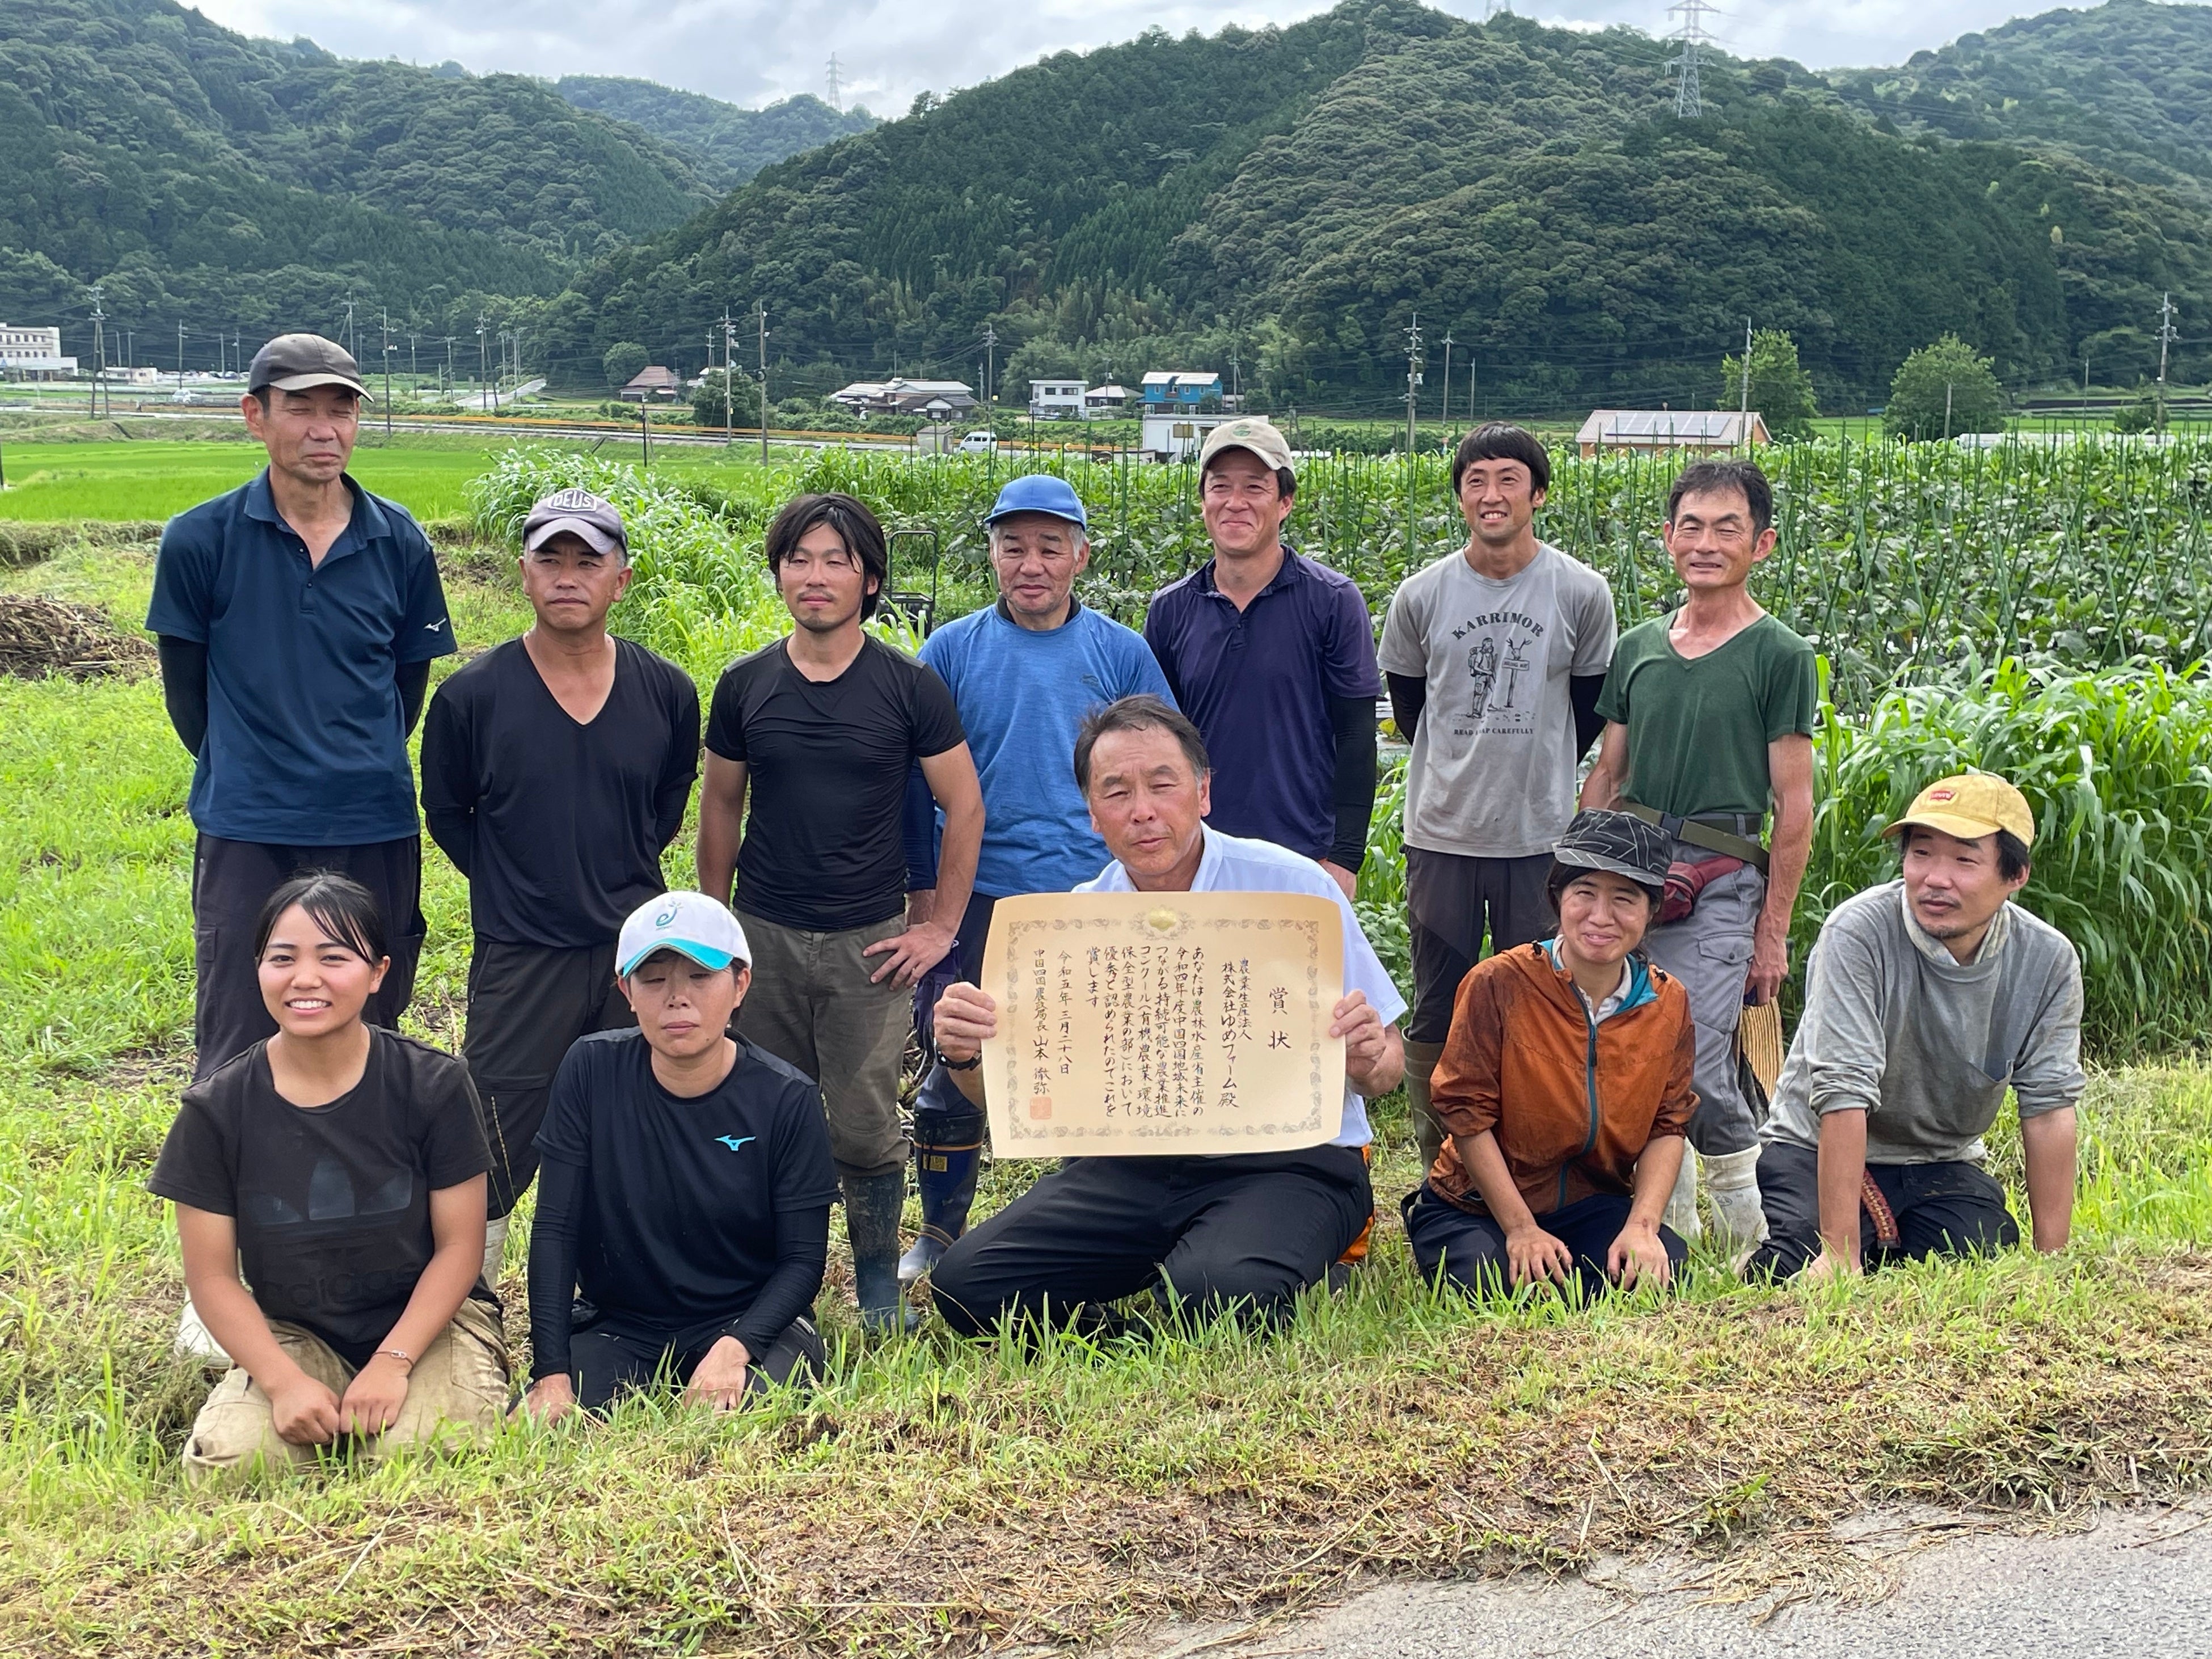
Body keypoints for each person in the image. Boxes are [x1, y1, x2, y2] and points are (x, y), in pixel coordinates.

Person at [927, 695, 1407, 1337]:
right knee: (967, 1286)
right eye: (1116, 792)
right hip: (1133, 1167)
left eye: (1162, 784)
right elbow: (1004, 1098)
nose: (1143, 811)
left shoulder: (1293, 890)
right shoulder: (1072, 924)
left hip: (1293, 1160)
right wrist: (964, 1052)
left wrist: (1369, 1058)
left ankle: (1217, 1265)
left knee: (1220, 1293)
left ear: (1203, 792)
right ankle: (1142, 1323)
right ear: (1092, 815)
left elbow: (1390, 1069)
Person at [696, 492, 985, 1331]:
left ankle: (876, 1285)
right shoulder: (746, 683)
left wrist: (939, 929)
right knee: (759, 1111)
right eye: (799, 559)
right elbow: (721, 805)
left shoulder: (908, 687)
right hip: (764, 933)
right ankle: (771, 1279)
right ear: (779, 571)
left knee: (862, 1119)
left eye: (836, 562)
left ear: (869, 580)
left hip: (870, 941)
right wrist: (715, 925)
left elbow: (962, 805)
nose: (815, 578)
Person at [894, 474, 1177, 1282]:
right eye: (1013, 545)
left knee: (1107, 1061)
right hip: (975, 899)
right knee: (957, 1061)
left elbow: (1162, 769)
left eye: (1050, 547)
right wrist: (925, 901)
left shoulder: (1119, 652)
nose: (1031, 563)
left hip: (1095, 898)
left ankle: (1098, 1225)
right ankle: (940, 1230)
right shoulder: (949, 651)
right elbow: (914, 783)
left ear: (1080, 557)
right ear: (990, 554)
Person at [148, 334, 454, 1080]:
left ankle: (363, 1185)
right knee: (240, 1032)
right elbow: (187, 697)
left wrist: (352, 756)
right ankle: (238, 1189)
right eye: (302, 408)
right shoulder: (200, 540)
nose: (326, 429)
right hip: (251, 826)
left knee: (370, 1022)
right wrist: (253, 763)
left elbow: (405, 688)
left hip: (371, 821)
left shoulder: (401, 541)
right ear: (256, 416)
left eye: (342, 409)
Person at [420, 487, 699, 1281]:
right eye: (551, 559)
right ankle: (472, 1291)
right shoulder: (472, 697)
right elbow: (448, 812)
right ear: (524, 574)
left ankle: (623, 1286)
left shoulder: (667, 690)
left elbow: (666, 804)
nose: (568, 576)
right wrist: (522, 882)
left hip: (635, 951)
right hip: (521, 952)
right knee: (496, 1126)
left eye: (589, 560)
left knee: (633, 1121)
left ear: (623, 579)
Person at [148, 873, 506, 1481]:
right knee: (235, 1467)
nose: (305, 979)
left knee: (423, 1458)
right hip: (295, 1329)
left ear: (377, 972)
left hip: (427, 1321)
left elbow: (460, 1248)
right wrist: (283, 1383)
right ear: (257, 967)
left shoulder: (434, 1085)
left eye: (334, 958)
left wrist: (393, 1362)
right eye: (282, 958)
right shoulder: (216, 1109)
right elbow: (211, 1278)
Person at [1580, 458, 1816, 1255]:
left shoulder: (1779, 654)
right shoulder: (1641, 647)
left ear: (1763, 542)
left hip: (1719, 879)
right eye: (1691, 526)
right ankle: (1668, 1233)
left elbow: (1794, 807)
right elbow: (1607, 775)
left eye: (1727, 528)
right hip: (1634, 874)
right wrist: (1582, 883)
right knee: (1626, 1047)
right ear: (1667, 538)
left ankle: (1751, 1239)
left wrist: (1772, 931)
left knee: (1700, 1058)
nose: (1706, 543)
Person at [1379, 423, 1617, 1174]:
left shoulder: (1580, 591)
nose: (1491, 494)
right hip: (1443, 836)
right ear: (1460, 495)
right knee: (1439, 1004)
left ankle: (1532, 1156)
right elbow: (1412, 710)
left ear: (1538, 494)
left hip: (1537, 841)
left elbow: (1587, 710)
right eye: (1476, 479)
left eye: (1508, 478)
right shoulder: (1421, 596)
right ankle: (1438, 1158)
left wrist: (1539, 770)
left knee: (1538, 1001)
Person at [1749, 775, 2083, 1282]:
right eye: (1921, 853)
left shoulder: (2048, 960)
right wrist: (1840, 1257)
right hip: (1816, 1147)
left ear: (2016, 875)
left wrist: (2053, 1262)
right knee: (1797, 1264)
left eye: (1964, 861)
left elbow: (2050, 1107)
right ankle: (1822, 1243)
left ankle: (1880, 1240)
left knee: (1981, 1252)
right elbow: (1844, 1089)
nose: (1935, 878)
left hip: (1936, 1160)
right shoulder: (1858, 933)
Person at [518, 893, 840, 1419]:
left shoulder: (787, 1098)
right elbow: (556, 1227)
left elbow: (803, 1261)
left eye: (699, 976)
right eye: (654, 978)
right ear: (626, 990)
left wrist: (738, 1347)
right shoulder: (589, 1070)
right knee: (548, 1428)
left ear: (740, 984)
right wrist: (550, 1372)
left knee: (750, 1422)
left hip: (747, 1317)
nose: (677, 998)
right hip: (622, 1320)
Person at [1403, 811, 1694, 1300]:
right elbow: (1466, 1115)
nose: (1601, 916)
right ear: (1558, 897)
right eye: (1584, 893)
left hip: (1592, 1201)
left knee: (1658, 1275)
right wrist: (1521, 1229)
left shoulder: (1669, 1003)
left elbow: (1669, 1123)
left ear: (1650, 912)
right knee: (1498, 1285)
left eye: (1624, 898)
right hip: (1475, 1205)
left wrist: (1643, 1225)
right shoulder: (1498, 984)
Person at [1144, 417, 1381, 902]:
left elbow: (1356, 734)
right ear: (1204, 500)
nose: (1236, 502)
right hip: (1199, 854)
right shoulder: (1171, 610)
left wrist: (1345, 855)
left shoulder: (1332, 601)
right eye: (1221, 487)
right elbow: (1159, 739)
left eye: (1255, 487)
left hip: (1302, 855)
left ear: (1285, 502)